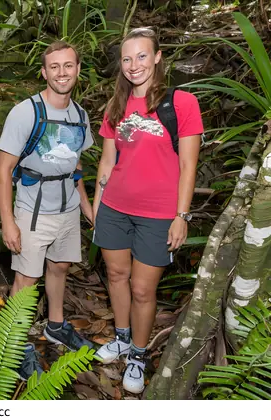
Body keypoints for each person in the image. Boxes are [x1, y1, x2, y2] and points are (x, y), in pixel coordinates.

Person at [92, 28, 203, 394]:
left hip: (158, 214)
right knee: (117, 275)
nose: (134, 65)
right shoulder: (116, 106)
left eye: (142, 56)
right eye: (127, 58)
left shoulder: (181, 103)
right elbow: (107, 163)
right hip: (114, 208)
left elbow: (188, 166)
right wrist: (97, 205)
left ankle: (138, 354)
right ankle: (122, 338)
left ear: (157, 57)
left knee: (142, 288)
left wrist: (181, 216)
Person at [0, 41, 95, 380]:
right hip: (32, 208)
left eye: (68, 66)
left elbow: (75, 163)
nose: (62, 73)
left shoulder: (80, 115)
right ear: (44, 71)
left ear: (78, 70)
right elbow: (2, 169)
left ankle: (55, 325)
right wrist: (8, 222)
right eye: (54, 67)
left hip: (66, 205)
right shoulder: (26, 112)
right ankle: (16, 344)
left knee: (61, 266)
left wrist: (86, 206)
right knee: (26, 277)